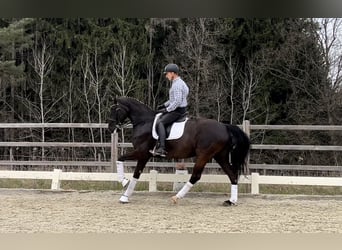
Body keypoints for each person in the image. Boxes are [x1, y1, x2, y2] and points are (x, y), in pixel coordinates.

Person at [149, 63, 189, 157]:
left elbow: (178, 101)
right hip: (179, 109)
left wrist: (167, 109)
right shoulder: (180, 82)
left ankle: (162, 148)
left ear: (172, 73)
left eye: (167, 74)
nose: (166, 76)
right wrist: (164, 105)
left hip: (177, 111)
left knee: (161, 122)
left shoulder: (177, 85)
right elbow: (174, 99)